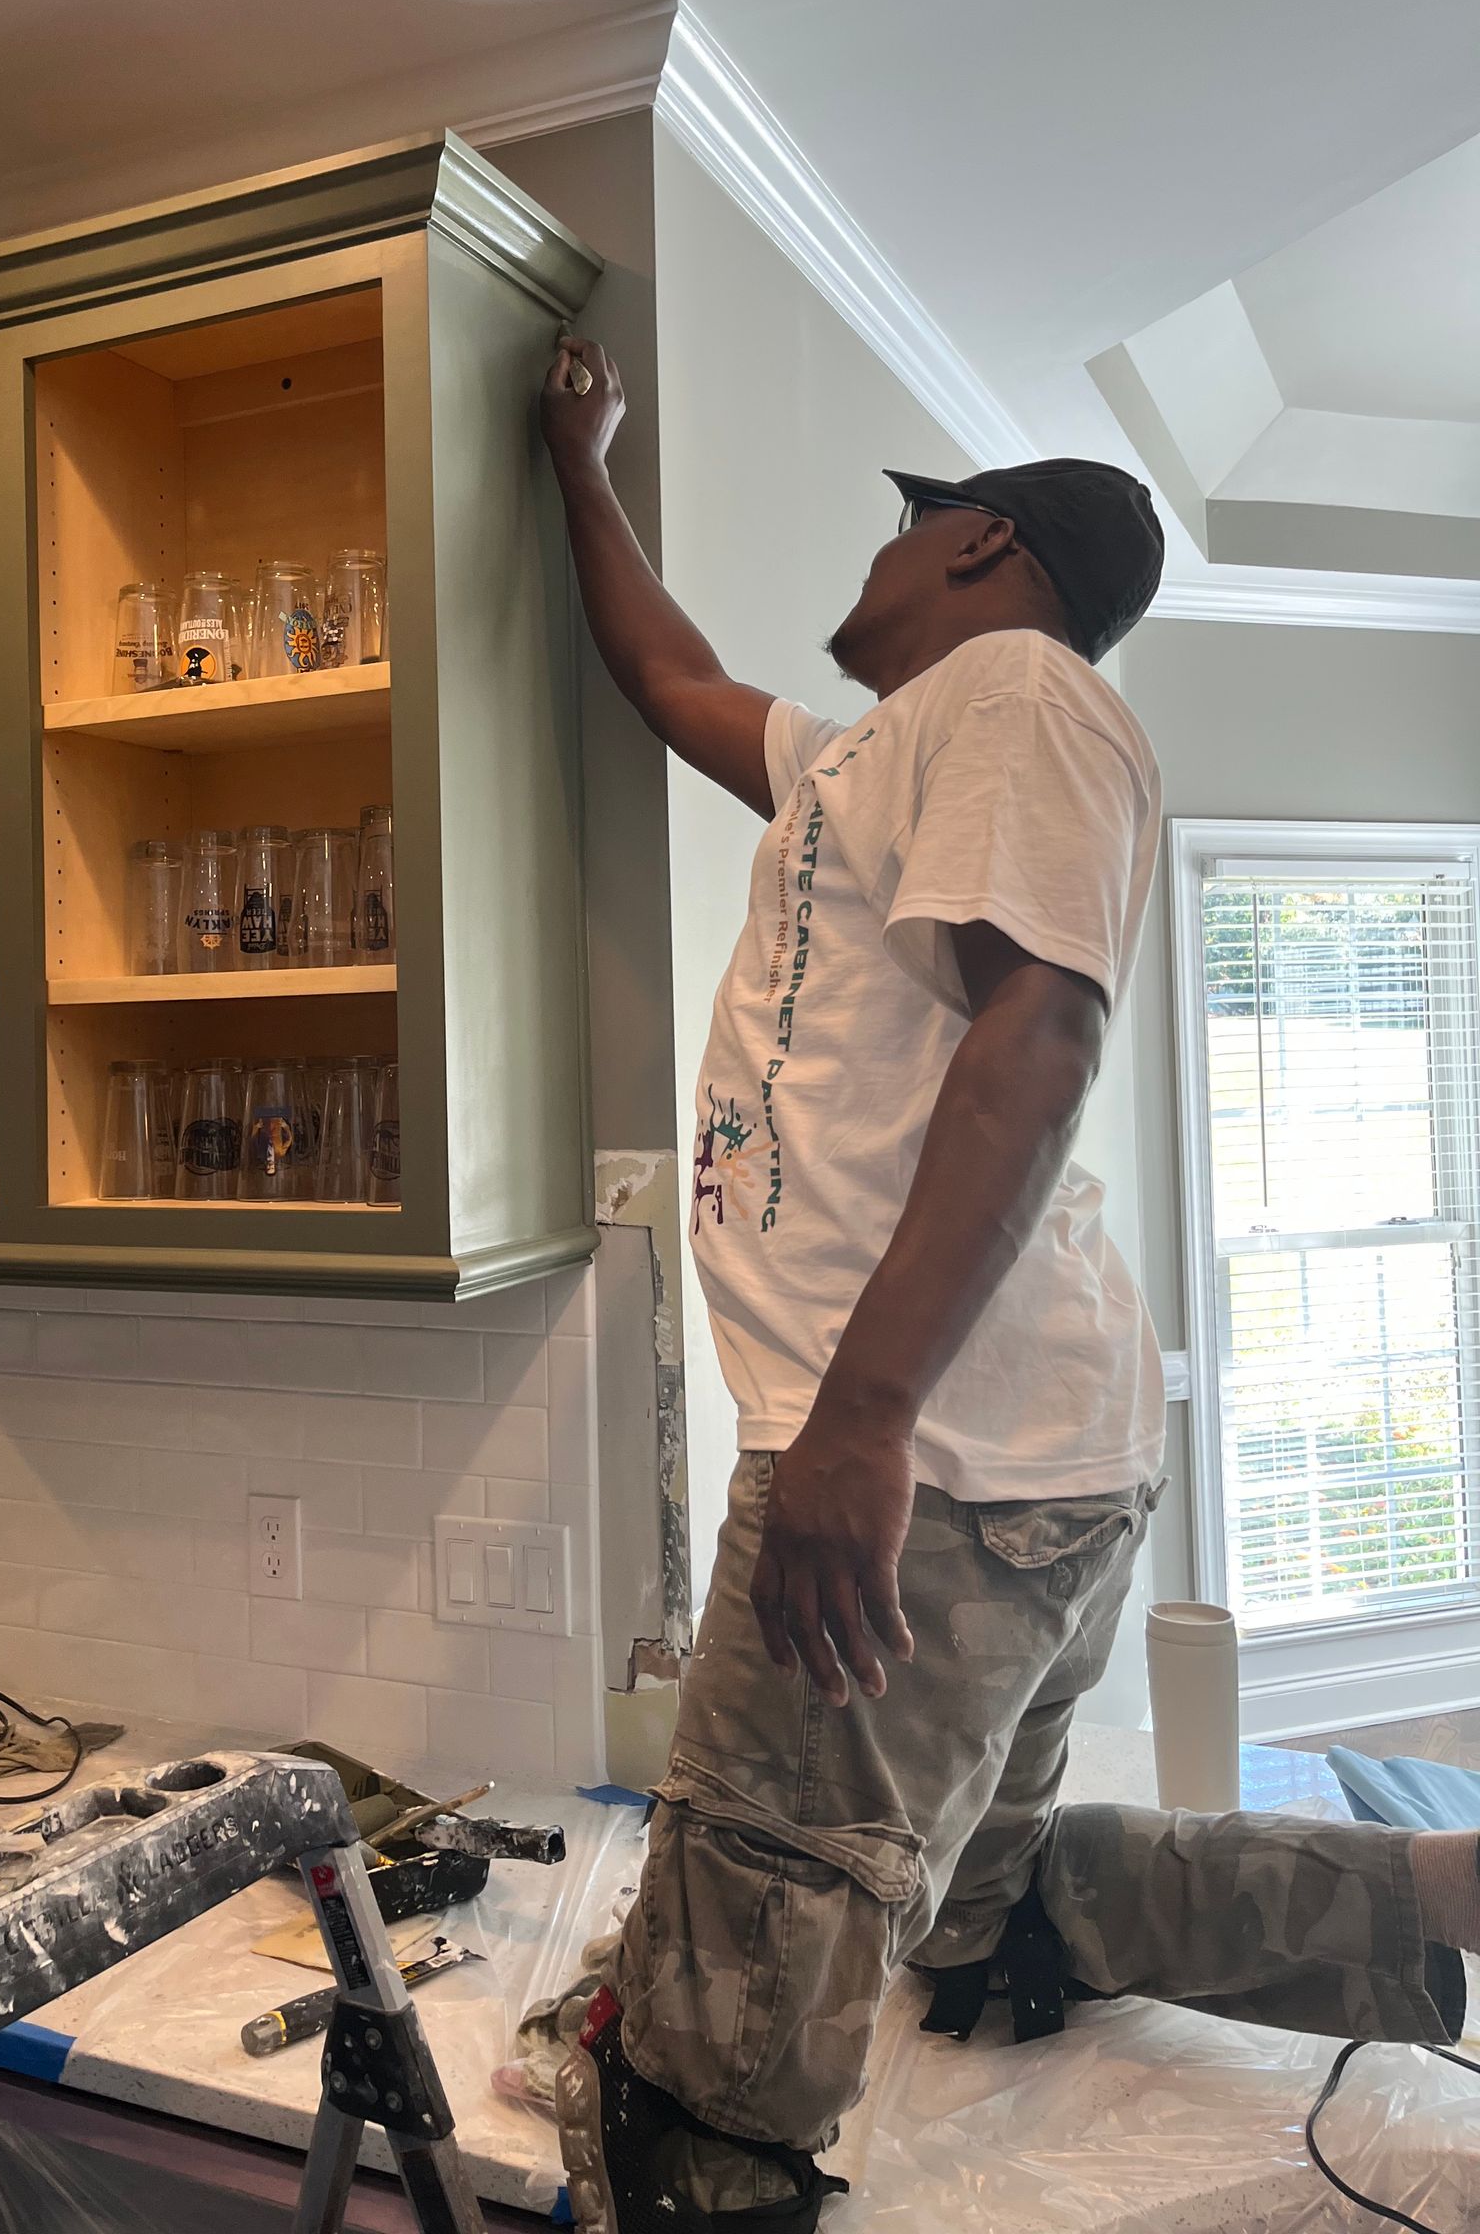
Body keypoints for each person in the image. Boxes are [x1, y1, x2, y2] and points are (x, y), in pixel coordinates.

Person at [538, 338, 1480, 2233]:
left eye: (902, 531)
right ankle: (1436, 1899)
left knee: (700, 2083)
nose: (869, 569)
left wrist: (862, 1421)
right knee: (979, 1906)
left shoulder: (1023, 696)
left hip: (929, 1458)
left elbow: (1038, 1035)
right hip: (1009, 1460)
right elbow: (666, 677)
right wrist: (578, 461)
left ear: (977, 545)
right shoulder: (870, 756)